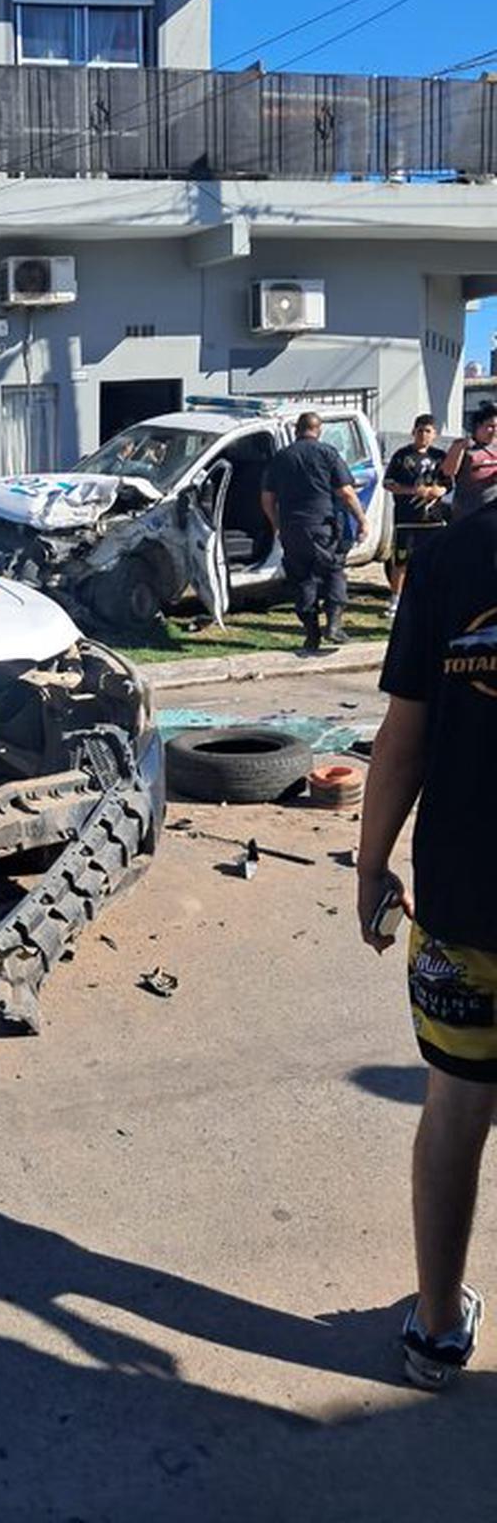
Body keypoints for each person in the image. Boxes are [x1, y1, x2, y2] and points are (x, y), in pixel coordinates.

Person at [357, 482, 497, 1388]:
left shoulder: (450, 554)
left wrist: (370, 870)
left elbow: (400, 741)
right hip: (463, 894)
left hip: (465, 895)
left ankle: (437, 1329)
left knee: (457, 1104)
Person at [261, 411, 368, 653]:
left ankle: (312, 635)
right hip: (323, 527)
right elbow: (347, 493)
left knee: (303, 579)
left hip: (292, 528)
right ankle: (333, 626)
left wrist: (277, 525)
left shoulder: (281, 458)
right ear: (318, 430)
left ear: (297, 430)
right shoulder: (328, 454)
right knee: (333, 573)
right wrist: (361, 520)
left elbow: (267, 499)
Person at [382, 414, 450, 618]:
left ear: (435, 434)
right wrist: (412, 490)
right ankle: (396, 600)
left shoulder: (440, 456)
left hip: (434, 520)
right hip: (406, 519)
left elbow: (449, 482)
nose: (423, 435)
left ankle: (435, 598)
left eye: (428, 431)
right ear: (413, 432)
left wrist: (440, 490)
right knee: (401, 561)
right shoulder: (402, 456)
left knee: (436, 560)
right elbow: (388, 484)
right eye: (420, 430)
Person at [442, 401, 497, 518]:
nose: (494, 431)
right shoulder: (463, 446)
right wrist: (460, 448)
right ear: (477, 426)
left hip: (491, 513)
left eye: (496, 427)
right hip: (468, 514)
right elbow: (448, 471)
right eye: (490, 427)